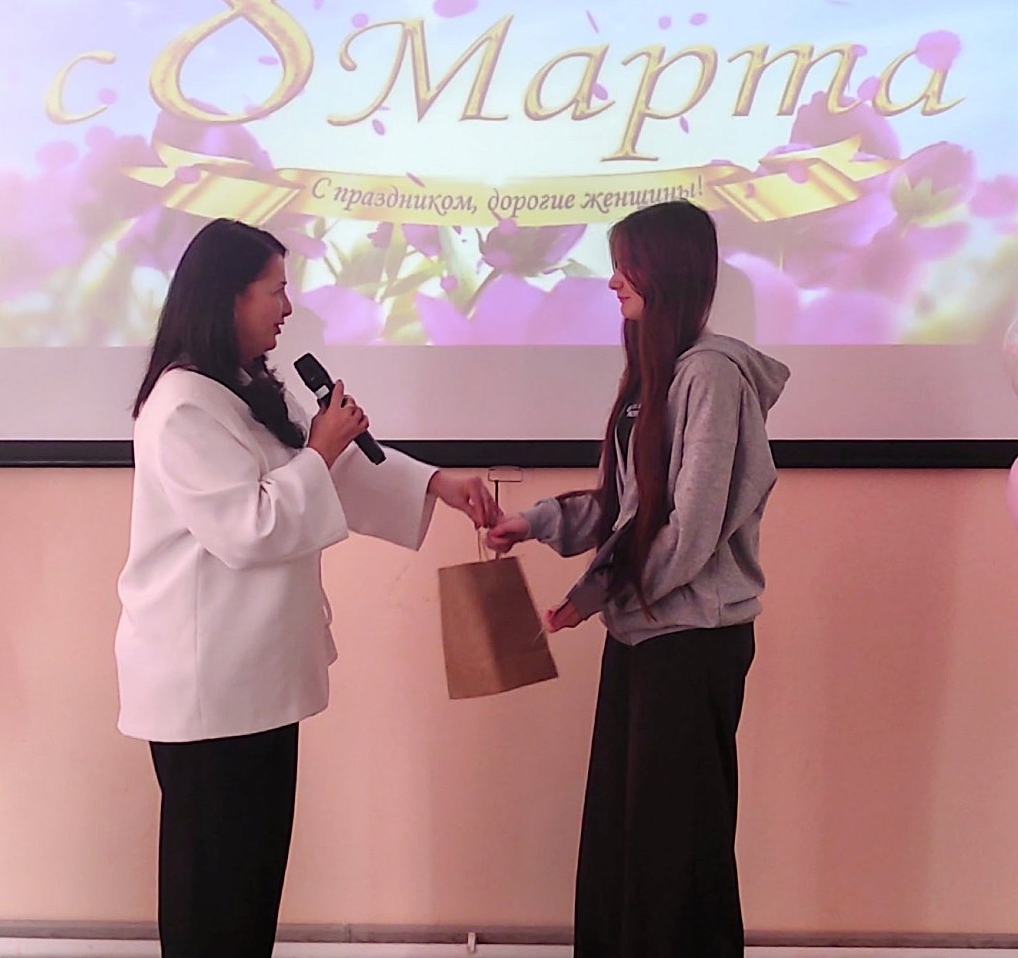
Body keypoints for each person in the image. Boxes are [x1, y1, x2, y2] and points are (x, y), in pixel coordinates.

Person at [115, 218, 497, 958]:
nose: (288, 307)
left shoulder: (243, 387)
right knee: (214, 898)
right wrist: (321, 448)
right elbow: (250, 525)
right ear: (227, 297)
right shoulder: (183, 404)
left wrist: (437, 484)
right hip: (208, 689)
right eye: (275, 290)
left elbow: (326, 472)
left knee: (251, 887)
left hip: (255, 682)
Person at [486, 199, 789, 958]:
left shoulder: (711, 376)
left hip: (691, 641)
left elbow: (688, 529)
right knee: (627, 838)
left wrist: (592, 595)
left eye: (627, 266)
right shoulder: (659, 374)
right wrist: (535, 522)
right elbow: (630, 508)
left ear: (669, 273)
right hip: (644, 635)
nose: (612, 281)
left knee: (675, 849)